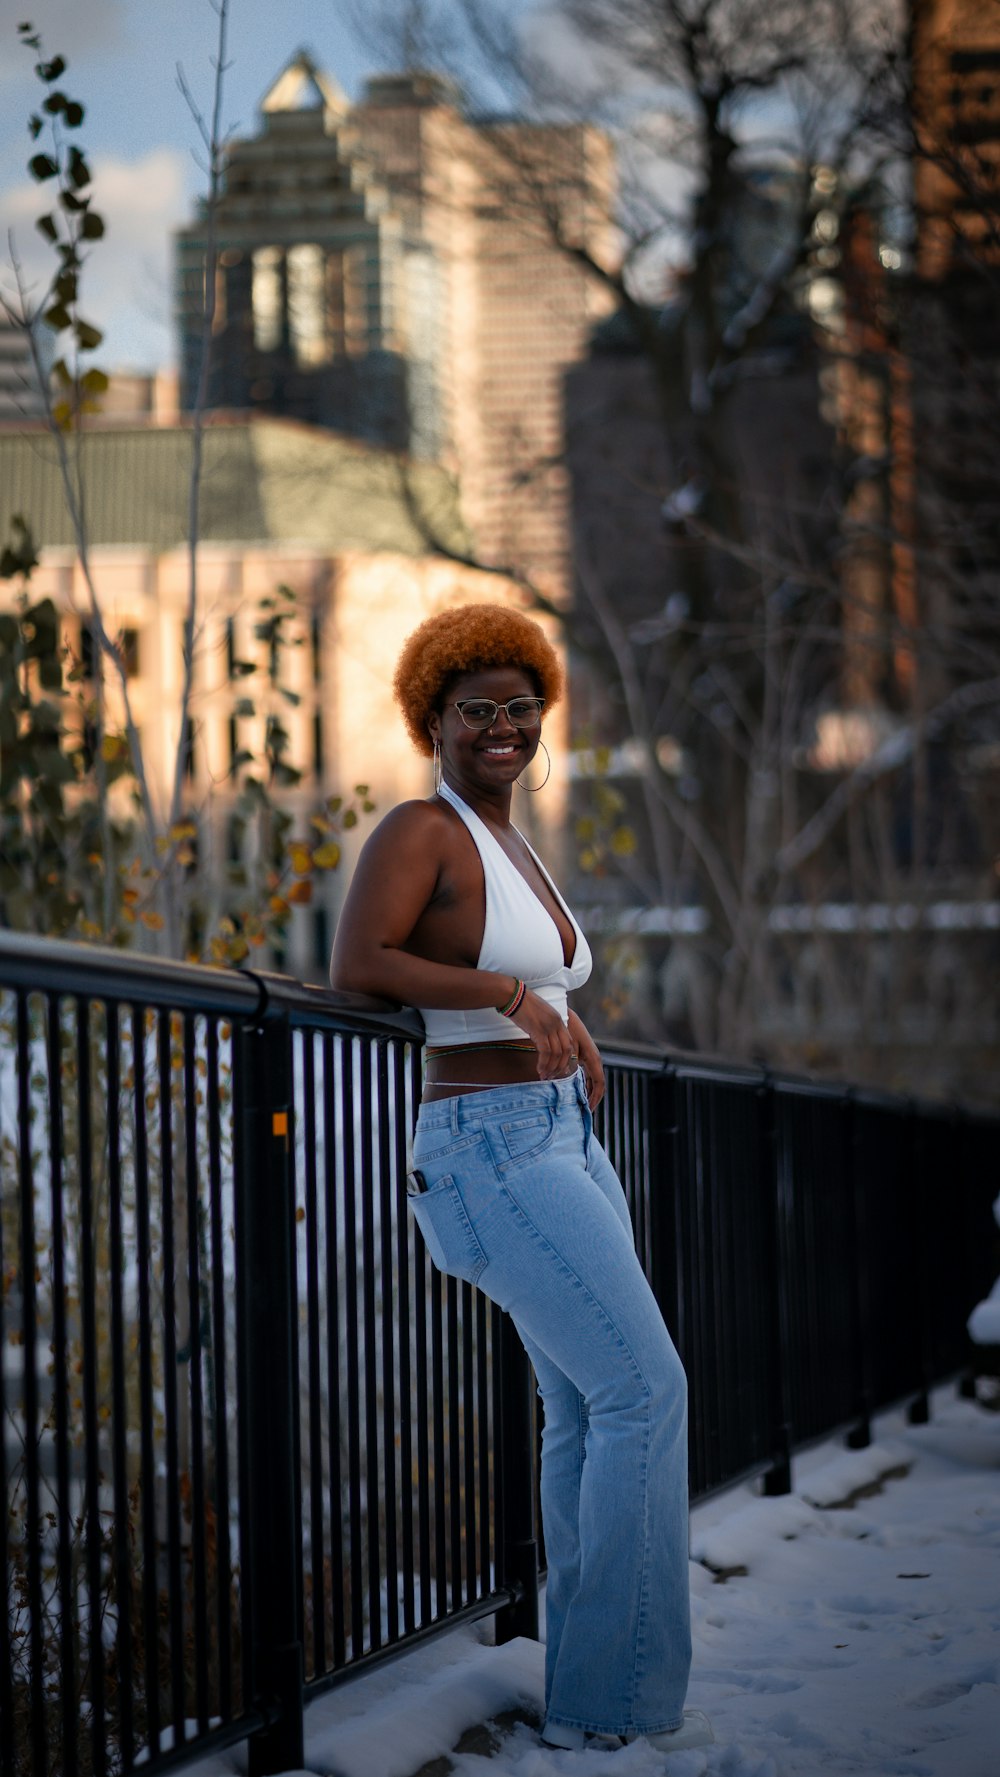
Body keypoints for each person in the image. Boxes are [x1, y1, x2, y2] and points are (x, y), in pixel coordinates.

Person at [330, 602, 712, 1755]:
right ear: (433, 721)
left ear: (539, 717)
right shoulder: (422, 828)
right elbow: (359, 966)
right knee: (646, 1389)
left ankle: (593, 1688)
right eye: (473, 710)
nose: (500, 726)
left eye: (518, 707)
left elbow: (530, 967)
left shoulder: (509, 839)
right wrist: (505, 998)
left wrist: (569, 1025)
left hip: (558, 1131)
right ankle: (614, 1702)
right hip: (488, 1143)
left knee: (586, 1406)